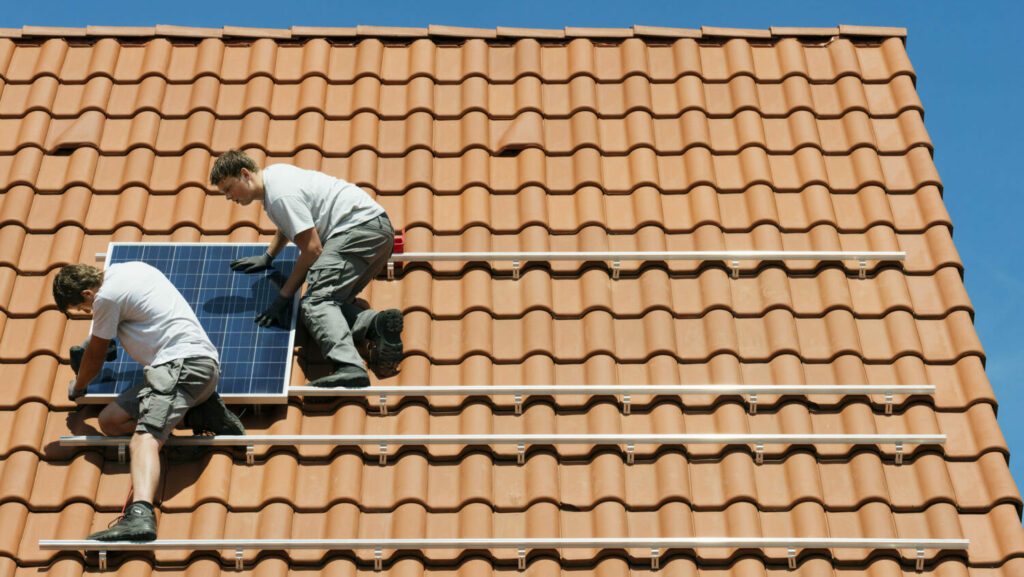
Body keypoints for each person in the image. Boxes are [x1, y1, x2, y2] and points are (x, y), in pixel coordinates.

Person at [53, 262, 245, 541]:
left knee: (145, 439)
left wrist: (79, 385)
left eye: (85, 309)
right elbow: (118, 323)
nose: (90, 314)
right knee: (110, 421)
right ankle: (201, 415)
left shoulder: (105, 298)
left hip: (180, 367)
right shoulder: (130, 269)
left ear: (86, 294)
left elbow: (95, 355)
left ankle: (141, 515)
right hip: (187, 370)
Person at [210, 150, 403, 388]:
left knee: (315, 304)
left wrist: (283, 296)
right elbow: (291, 223)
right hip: (378, 232)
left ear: (244, 174)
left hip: (356, 231)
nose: (229, 197)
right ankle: (376, 324)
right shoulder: (275, 178)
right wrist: (269, 256)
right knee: (329, 305)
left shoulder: (280, 195)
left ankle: (349, 367)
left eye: (228, 188)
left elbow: (312, 249)